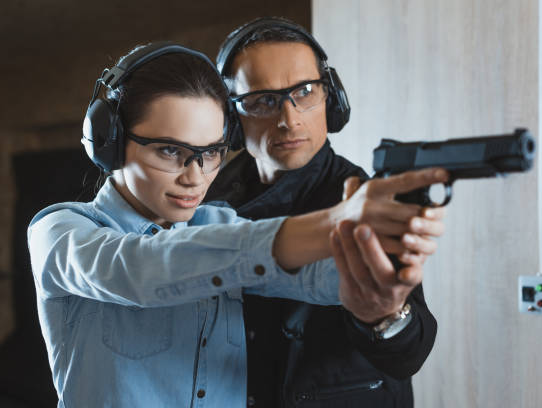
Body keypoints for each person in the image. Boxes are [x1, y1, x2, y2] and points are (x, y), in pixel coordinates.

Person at [27, 43, 447, 407]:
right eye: (171, 151)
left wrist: (384, 258)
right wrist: (334, 222)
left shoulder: (220, 223)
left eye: (210, 153)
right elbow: (140, 268)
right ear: (109, 142)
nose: (195, 176)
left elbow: (315, 278)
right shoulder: (60, 233)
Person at [205, 18, 446, 407]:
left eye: (304, 91)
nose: (289, 118)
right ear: (231, 116)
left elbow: (409, 353)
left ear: (331, 98)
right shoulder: (202, 200)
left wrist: (385, 316)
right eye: (263, 100)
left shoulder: (366, 198)